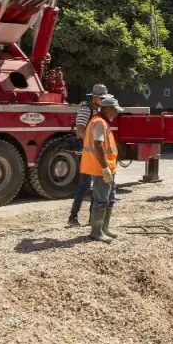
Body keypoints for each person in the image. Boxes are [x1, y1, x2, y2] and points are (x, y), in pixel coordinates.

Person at [81, 94, 122, 243]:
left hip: (108, 169)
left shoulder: (102, 122)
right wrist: (105, 169)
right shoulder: (99, 122)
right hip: (101, 169)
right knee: (101, 200)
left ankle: (104, 228)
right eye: (114, 110)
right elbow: (98, 145)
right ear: (107, 108)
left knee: (109, 199)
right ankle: (96, 232)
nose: (116, 113)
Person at [67, 84, 108, 227]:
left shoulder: (99, 111)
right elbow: (79, 131)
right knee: (84, 186)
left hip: (95, 152)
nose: (103, 100)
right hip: (87, 152)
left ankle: (92, 218)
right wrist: (93, 141)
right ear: (95, 97)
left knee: (95, 187)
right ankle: (73, 217)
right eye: (101, 97)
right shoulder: (86, 110)